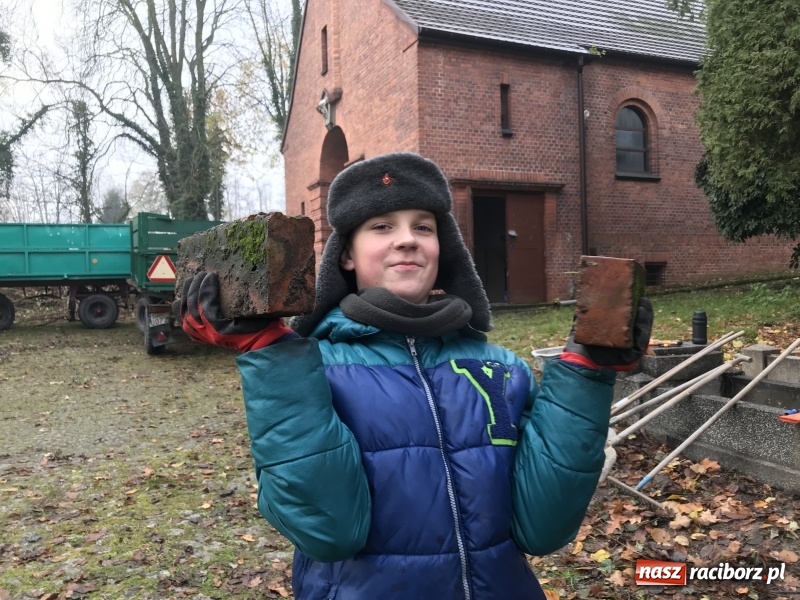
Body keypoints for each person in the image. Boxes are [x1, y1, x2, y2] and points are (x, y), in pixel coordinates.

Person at [177, 152, 653, 600]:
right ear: (346, 255)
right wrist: (269, 356)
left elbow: (543, 527)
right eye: (382, 226)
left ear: (441, 249)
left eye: (423, 227)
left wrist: (586, 376)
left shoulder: (501, 368)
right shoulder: (309, 369)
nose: (407, 239)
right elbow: (328, 530)